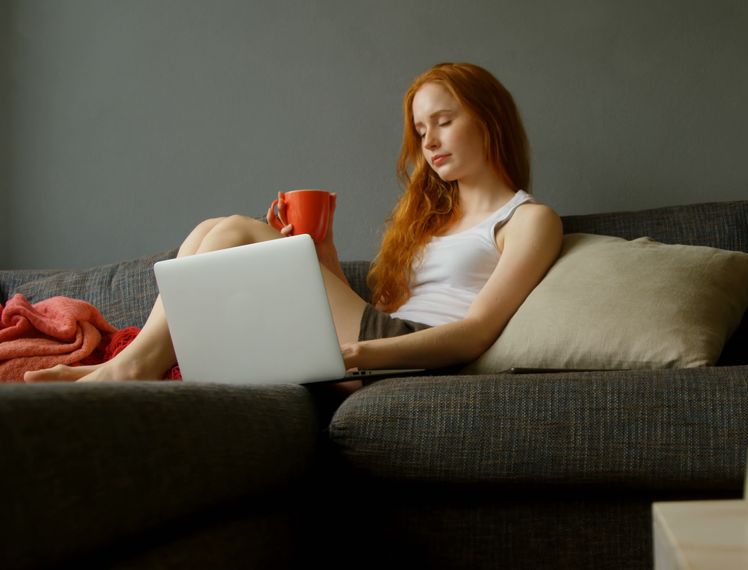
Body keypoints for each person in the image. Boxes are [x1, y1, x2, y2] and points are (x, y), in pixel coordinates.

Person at [24, 62, 563, 383]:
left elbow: (474, 334)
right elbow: (372, 309)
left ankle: (132, 368)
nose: (430, 142)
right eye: (422, 130)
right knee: (211, 231)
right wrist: (321, 249)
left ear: (489, 120)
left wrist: (352, 356)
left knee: (237, 232)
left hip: (412, 351)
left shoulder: (527, 219)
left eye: (445, 122)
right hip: (383, 333)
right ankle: (136, 363)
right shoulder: (431, 220)